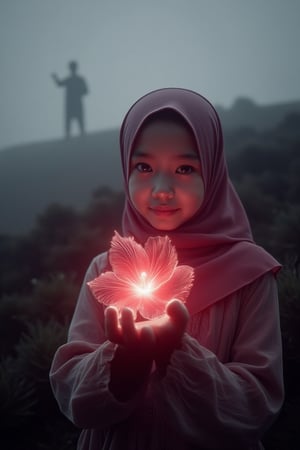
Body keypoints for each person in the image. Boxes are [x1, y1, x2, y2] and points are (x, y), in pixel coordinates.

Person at [49, 88, 284, 449]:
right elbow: (73, 399)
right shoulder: (105, 269)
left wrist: (178, 350)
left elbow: (256, 408)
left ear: (215, 171)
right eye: (143, 167)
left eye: (185, 169)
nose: (161, 190)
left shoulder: (250, 274)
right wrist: (126, 361)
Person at [52, 60, 88, 138]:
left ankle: (77, 135)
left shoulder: (74, 79)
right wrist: (55, 78)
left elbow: (85, 91)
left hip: (72, 104)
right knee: (75, 121)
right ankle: (77, 136)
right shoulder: (79, 79)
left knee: (75, 121)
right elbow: (86, 91)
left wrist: (55, 78)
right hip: (74, 103)